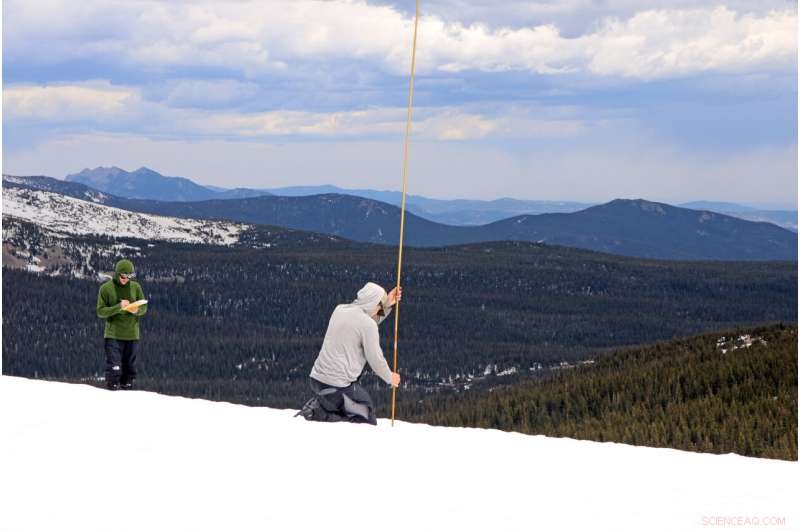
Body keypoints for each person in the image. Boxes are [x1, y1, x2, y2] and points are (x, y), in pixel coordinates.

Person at [298, 282, 402, 424]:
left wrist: (387, 305)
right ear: (372, 303)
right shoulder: (367, 325)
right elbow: (375, 359)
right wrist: (390, 377)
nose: (380, 308)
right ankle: (318, 412)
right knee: (366, 417)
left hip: (316, 379)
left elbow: (368, 320)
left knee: (351, 407)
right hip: (336, 385)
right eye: (380, 304)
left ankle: (324, 406)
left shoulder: (340, 309)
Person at [96, 259, 148, 390]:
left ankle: (127, 393)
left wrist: (136, 309)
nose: (126, 279)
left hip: (132, 335)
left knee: (130, 369)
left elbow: (144, 307)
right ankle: (111, 390)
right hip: (113, 335)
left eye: (129, 276)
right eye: (123, 276)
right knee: (115, 368)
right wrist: (118, 307)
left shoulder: (136, 287)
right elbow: (100, 311)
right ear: (117, 274)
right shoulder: (106, 289)